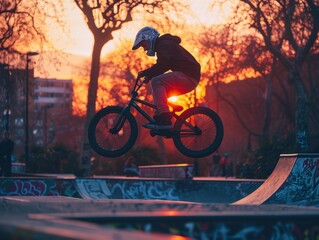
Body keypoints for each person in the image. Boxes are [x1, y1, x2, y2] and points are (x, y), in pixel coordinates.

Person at [132, 26, 201, 129]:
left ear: (149, 38)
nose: (145, 49)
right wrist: (149, 74)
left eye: (144, 44)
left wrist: (147, 73)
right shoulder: (163, 45)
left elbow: (163, 65)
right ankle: (159, 120)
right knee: (157, 93)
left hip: (188, 76)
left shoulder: (164, 44)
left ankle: (165, 120)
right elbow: (162, 65)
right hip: (189, 77)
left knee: (156, 82)